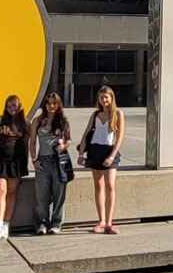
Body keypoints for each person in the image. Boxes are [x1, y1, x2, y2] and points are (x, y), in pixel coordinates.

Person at [77, 85, 125, 234]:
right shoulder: (95, 114)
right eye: (101, 97)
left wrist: (111, 156)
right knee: (98, 185)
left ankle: (110, 222)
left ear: (111, 98)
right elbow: (86, 133)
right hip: (95, 149)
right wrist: (80, 154)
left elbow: (120, 137)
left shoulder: (118, 114)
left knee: (110, 185)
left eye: (106, 97)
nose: (104, 100)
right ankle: (101, 221)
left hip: (109, 150)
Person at [0, 95, 29, 240]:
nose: (12, 110)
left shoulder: (25, 123)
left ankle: (6, 224)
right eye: (9, 107)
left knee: (11, 192)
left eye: (15, 107)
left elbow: (28, 143)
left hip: (15, 162)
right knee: (0, 191)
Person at [30, 92, 72, 235]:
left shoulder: (63, 121)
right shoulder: (38, 121)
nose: (51, 106)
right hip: (43, 160)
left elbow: (68, 139)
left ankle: (56, 223)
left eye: (54, 103)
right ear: (45, 104)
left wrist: (64, 146)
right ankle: (41, 223)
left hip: (58, 161)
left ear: (59, 104)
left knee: (59, 194)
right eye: (49, 103)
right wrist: (34, 160)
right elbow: (33, 141)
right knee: (42, 195)